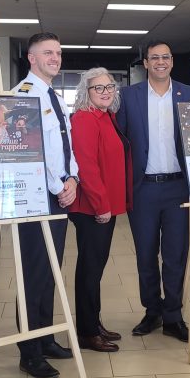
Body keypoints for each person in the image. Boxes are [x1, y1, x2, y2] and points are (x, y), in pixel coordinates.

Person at [116, 40, 190, 342]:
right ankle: (152, 310)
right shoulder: (128, 96)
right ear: (146, 64)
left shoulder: (189, 95)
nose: (160, 62)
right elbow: (120, 142)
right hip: (143, 190)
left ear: (172, 61)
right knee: (146, 255)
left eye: (166, 57)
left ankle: (173, 316)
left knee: (176, 254)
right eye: (154, 58)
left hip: (178, 188)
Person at [13, 32, 79, 378]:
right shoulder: (23, 97)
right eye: (48, 53)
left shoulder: (53, 97)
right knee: (34, 273)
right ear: (31, 58)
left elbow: (65, 148)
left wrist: (73, 180)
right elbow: (30, 150)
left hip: (59, 195)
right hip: (37, 199)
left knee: (52, 271)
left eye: (58, 52)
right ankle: (29, 350)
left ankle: (46, 336)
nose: (55, 58)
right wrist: (59, 185)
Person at [68, 67, 133, 352]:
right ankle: (86, 332)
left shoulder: (106, 116)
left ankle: (93, 323)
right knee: (89, 269)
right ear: (86, 92)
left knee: (96, 267)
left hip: (105, 205)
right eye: (99, 88)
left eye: (110, 87)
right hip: (92, 207)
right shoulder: (84, 119)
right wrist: (101, 206)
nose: (106, 92)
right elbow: (87, 167)